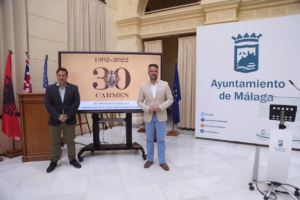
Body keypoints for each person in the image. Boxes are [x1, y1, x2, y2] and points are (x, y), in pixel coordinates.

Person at [137, 64, 173, 171]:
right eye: (151, 71)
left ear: (158, 72)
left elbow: (170, 99)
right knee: (149, 139)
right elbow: (139, 101)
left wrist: (160, 107)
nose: (153, 72)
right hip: (148, 116)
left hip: (161, 116)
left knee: (161, 140)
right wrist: (147, 108)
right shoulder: (143, 86)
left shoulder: (165, 84)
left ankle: (162, 161)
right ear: (148, 73)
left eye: (155, 71)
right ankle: (150, 159)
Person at [45, 68, 81, 173]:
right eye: (59, 75)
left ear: (67, 76)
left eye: (63, 75)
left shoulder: (74, 88)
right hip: (55, 120)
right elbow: (48, 104)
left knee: (70, 141)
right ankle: (53, 162)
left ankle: (72, 159)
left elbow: (76, 103)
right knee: (55, 142)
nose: (61, 77)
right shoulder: (50, 89)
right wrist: (58, 116)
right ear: (57, 76)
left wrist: (67, 115)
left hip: (69, 119)